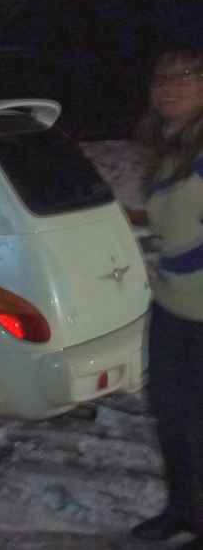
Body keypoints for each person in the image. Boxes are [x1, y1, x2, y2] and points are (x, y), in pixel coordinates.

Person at [129, 48, 203, 549]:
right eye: (161, 78)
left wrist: (177, 260)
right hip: (172, 305)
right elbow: (172, 222)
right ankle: (183, 510)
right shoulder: (164, 148)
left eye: (184, 77)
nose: (170, 86)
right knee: (171, 414)